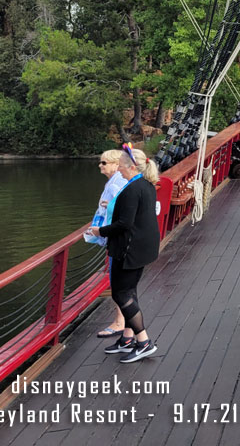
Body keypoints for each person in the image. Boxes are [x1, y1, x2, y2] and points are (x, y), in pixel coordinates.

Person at [88, 144, 161, 363]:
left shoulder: (131, 190)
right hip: (143, 247)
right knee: (129, 291)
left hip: (129, 250)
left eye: (121, 166)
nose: (118, 169)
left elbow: (124, 223)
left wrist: (99, 231)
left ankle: (144, 341)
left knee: (121, 294)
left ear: (131, 166)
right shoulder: (146, 185)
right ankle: (128, 338)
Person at [94, 150, 127, 338]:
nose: (101, 165)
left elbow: (123, 218)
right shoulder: (116, 183)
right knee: (121, 283)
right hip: (116, 239)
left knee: (118, 283)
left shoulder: (117, 185)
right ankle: (124, 322)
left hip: (117, 240)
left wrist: (101, 231)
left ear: (116, 165)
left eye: (104, 163)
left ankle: (119, 322)